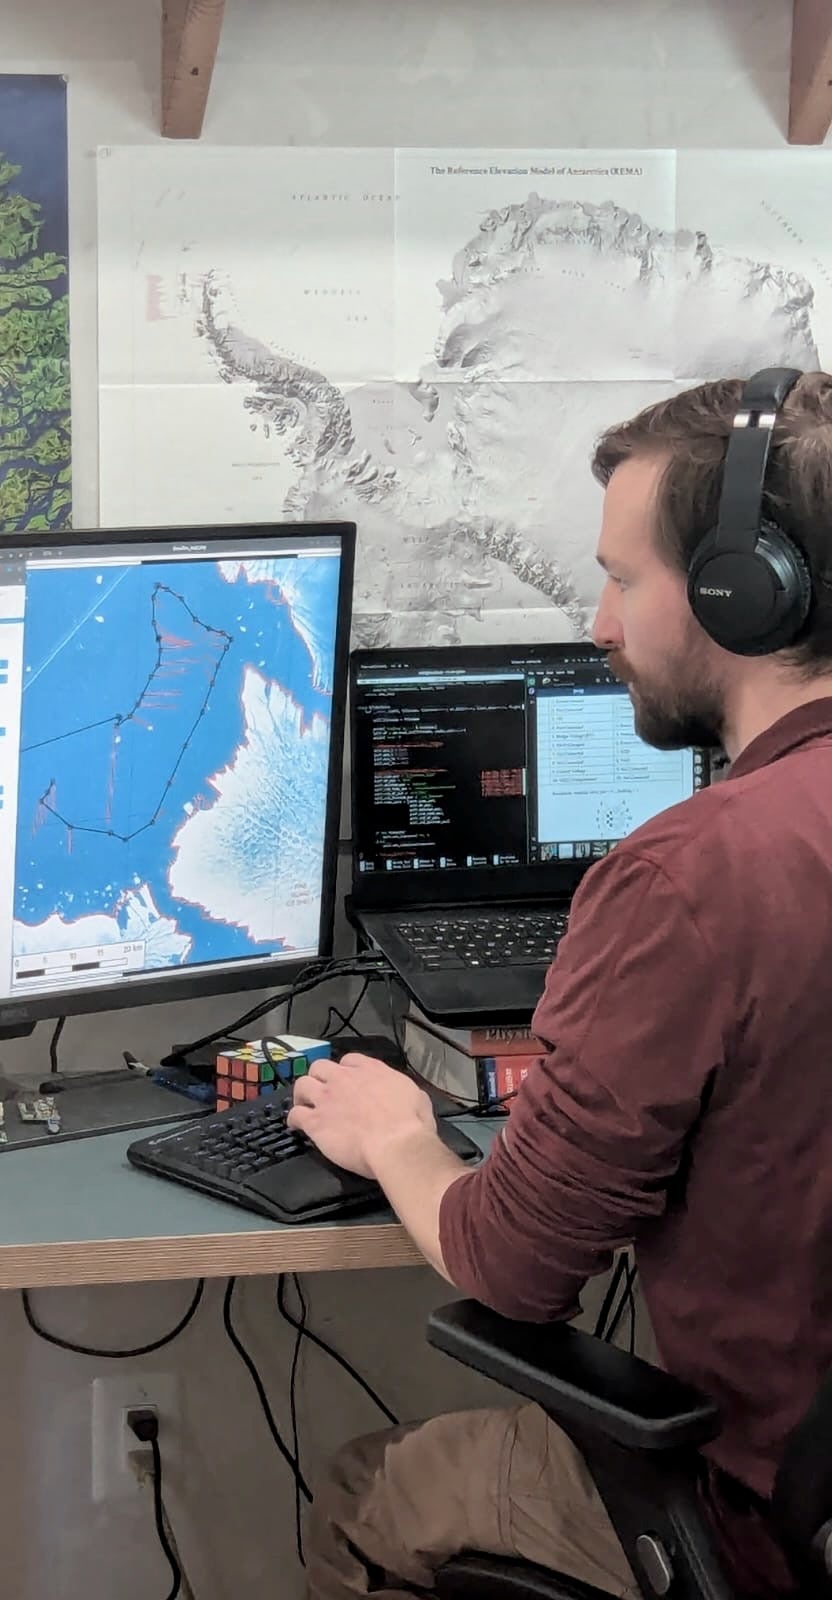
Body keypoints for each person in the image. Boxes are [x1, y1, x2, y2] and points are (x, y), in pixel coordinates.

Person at [291, 372, 832, 1599]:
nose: (599, 622)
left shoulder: (693, 878)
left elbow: (514, 1265)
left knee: (370, 1484)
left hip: (760, 1521)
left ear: (737, 596)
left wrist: (399, 1139)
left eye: (624, 578)